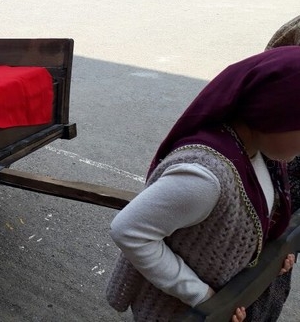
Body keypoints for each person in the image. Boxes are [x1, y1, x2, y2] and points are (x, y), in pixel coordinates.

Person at [106, 47, 300, 322]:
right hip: (178, 314)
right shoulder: (205, 178)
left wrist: (268, 259)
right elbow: (128, 230)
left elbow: (254, 222)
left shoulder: (261, 155)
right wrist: (202, 296)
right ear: (275, 115)